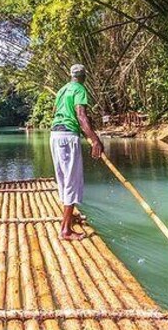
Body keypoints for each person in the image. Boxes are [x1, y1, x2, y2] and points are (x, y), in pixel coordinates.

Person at [49, 63, 104, 240]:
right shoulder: (79, 89)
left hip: (55, 135)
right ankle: (65, 230)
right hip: (67, 136)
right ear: (83, 77)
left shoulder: (62, 90)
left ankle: (69, 217)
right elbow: (81, 115)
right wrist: (95, 140)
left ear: (70, 75)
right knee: (72, 181)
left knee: (63, 179)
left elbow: (55, 112)